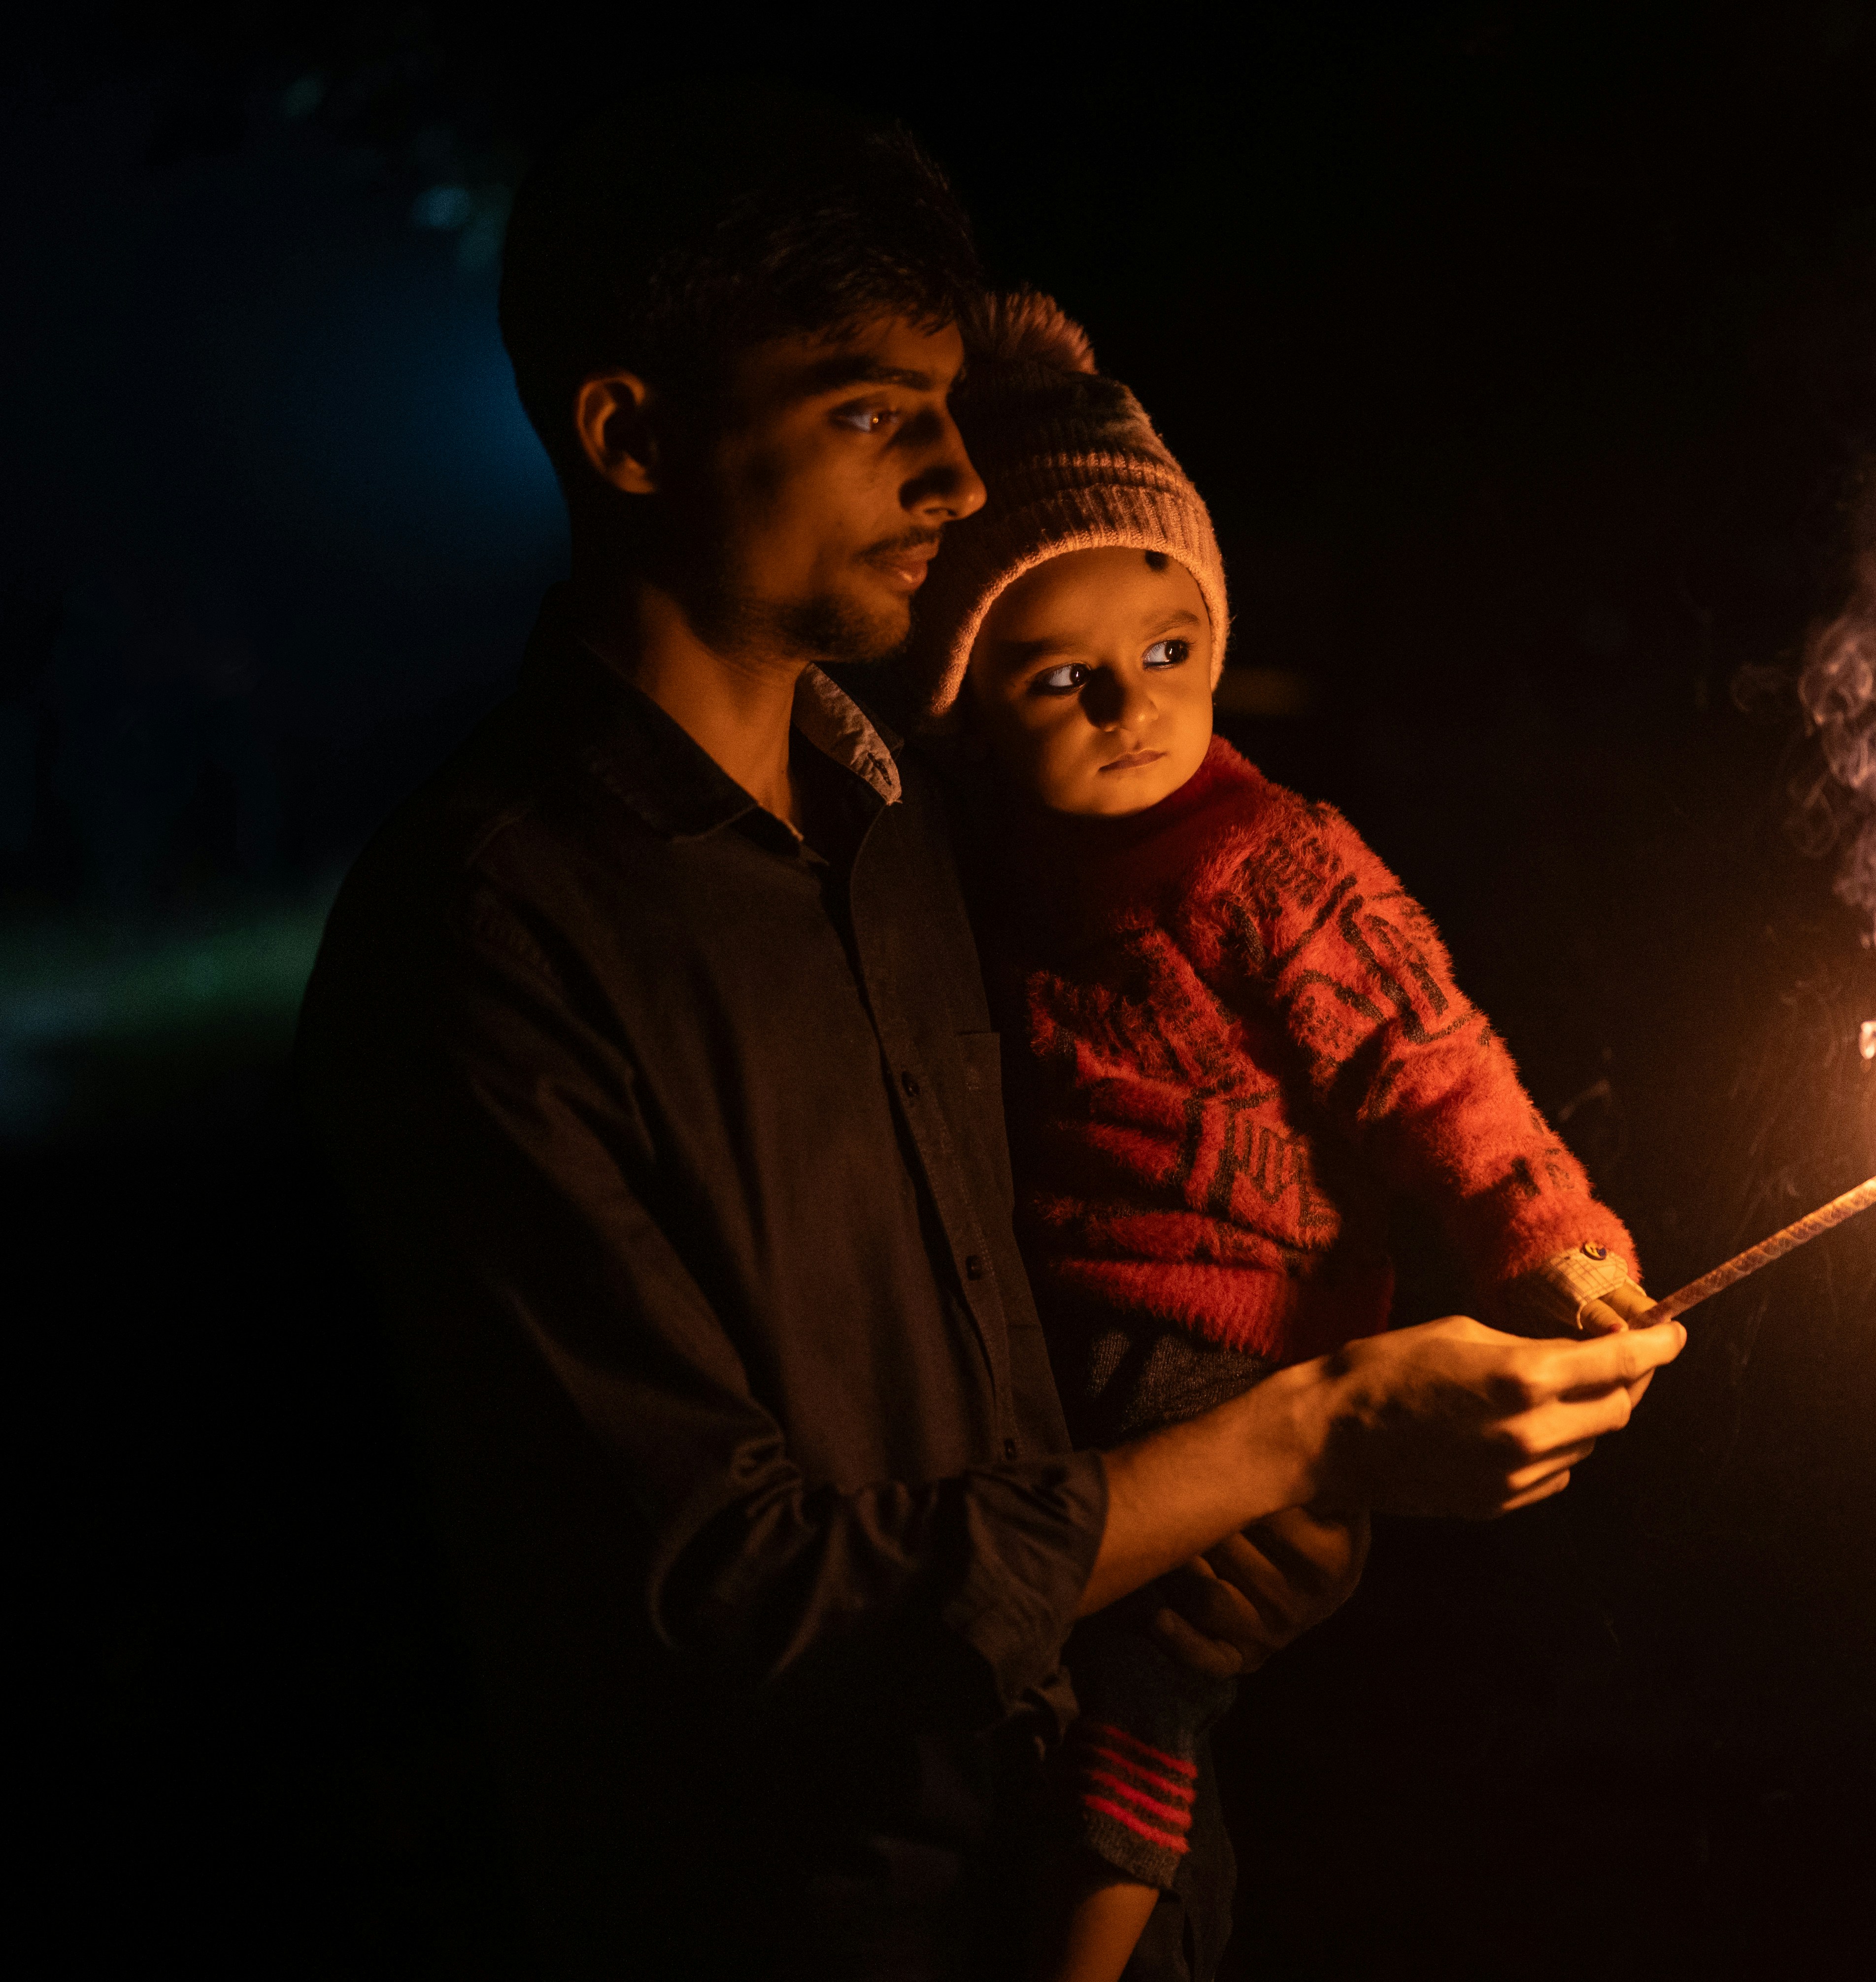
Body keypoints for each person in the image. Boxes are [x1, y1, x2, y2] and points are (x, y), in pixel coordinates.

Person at [296, 86, 1683, 1981]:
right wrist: (1295, 1436)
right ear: (630, 435)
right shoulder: (492, 941)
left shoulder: (935, 840)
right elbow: (722, 1600)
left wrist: (1270, 1508)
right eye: (873, 415)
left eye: (950, 412)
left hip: (1113, 1872)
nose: (954, 482)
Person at [888, 293, 1662, 1982]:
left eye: (1166, 654)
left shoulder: (1266, 863)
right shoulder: (978, 876)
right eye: (1059, 680)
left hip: (1224, 1327)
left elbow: (1426, 1058)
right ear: (961, 705)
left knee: (1153, 1679)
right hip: (1058, 1341)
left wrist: (1554, 1246)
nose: (1130, 709)